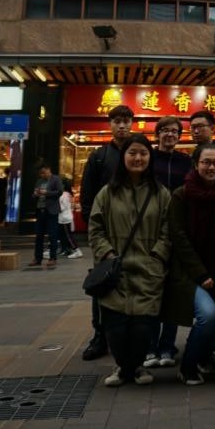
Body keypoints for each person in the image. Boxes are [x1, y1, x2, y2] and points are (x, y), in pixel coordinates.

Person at [88, 133, 171, 387]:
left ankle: (136, 367)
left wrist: (156, 256)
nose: (138, 158)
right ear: (123, 157)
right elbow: (95, 228)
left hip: (148, 270)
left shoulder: (161, 193)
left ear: (150, 157)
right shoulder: (107, 193)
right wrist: (107, 254)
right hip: (116, 270)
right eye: (132, 153)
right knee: (116, 327)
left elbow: (169, 230)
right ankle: (122, 367)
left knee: (143, 328)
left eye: (143, 153)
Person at [162, 141, 215, 385]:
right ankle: (188, 366)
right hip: (187, 273)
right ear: (196, 164)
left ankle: (204, 356)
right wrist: (200, 274)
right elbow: (178, 237)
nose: (212, 167)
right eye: (206, 162)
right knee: (209, 316)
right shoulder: (181, 195)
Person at [79, 104, 135, 360]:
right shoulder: (99, 156)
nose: (121, 126)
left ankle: (132, 335)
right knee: (102, 282)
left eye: (126, 121)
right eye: (117, 121)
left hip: (136, 232)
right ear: (110, 124)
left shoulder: (139, 152)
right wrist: (95, 230)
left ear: (132, 123)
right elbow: (87, 196)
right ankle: (100, 335)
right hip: (106, 233)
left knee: (134, 281)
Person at [146, 115, 192, 368]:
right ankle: (150, 346)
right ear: (157, 134)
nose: (170, 135)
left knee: (173, 290)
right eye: (165, 130)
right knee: (152, 288)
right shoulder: (149, 159)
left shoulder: (186, 161)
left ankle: (167, 346)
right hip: (152, 230)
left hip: (178, 229)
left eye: (174, 131)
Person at [29, 159, 63, 268]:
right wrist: (35, 194)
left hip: (51, 211)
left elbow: (59, 192)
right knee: (39, 235)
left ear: (48, 169)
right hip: (40, 210)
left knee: (52, 235)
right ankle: (37, 258)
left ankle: (52, 258)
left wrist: (47, 193)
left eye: (43, 172)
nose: (42, 175)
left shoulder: (56, 179)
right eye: (40, 173)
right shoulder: (39, 181)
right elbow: (33, 195)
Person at [58, 180, 82, 258]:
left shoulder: (64, 195)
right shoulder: (67, 194)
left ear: (63, 186)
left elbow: (63, 207)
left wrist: (55, 208)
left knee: (68, 236)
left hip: (65, 218)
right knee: (64, 235)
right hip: (64, 217)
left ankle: (77, 251)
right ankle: (67, 250)